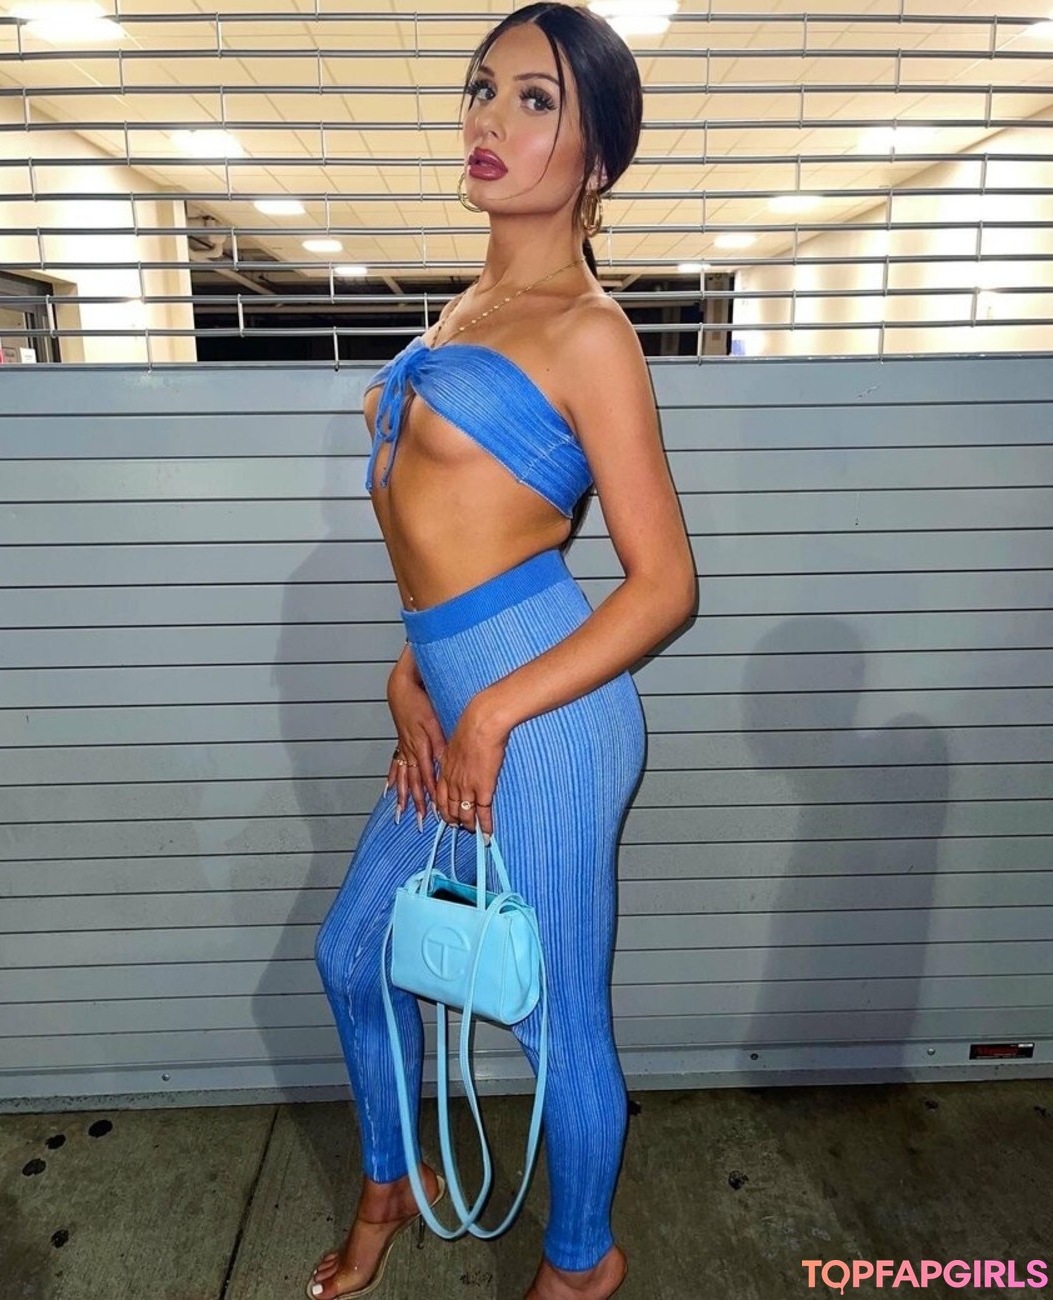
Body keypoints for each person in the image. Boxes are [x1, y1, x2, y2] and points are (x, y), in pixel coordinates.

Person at [310, 4, 696, 1297]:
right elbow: (449, 540)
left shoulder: (590, 333)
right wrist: (413, 674)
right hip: (454, 694)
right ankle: (390, 1181)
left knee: (550, 1015)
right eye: (484, 89)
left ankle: (581, 1263)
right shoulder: (467, 306)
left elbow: (665, 585)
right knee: (354, 956)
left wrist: (489, 711)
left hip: (549, 716)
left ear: (598, 157)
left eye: (537, 100)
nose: (491, 119)